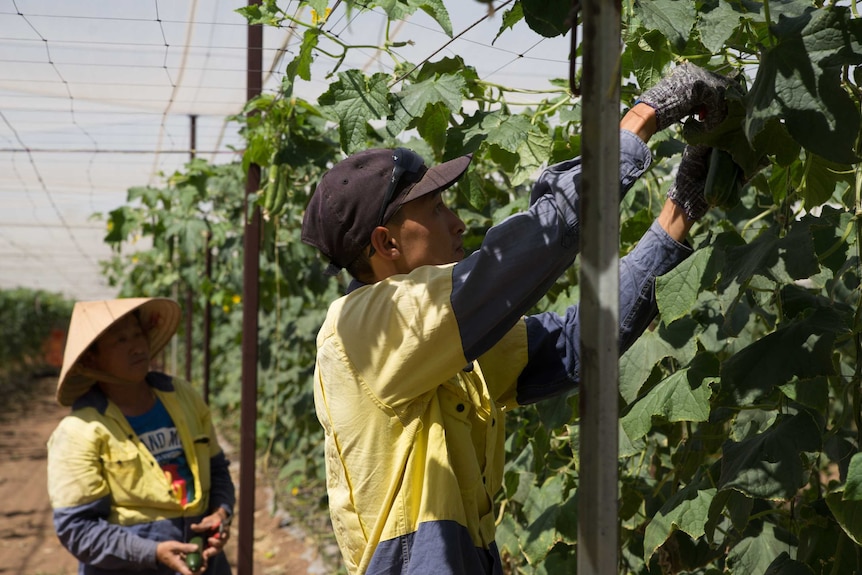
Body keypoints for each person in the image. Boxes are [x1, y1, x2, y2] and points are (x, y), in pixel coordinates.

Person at [300, 63, 733, 574]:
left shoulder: (435, 339)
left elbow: (577, 343)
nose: (458, 221)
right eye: (436, 209)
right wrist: (643, 118)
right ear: (386, 243)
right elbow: (536, 245)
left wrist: (680, 208)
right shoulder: (369, 327)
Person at [46, 298, 236, 575]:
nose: (137, 346)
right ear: (91, 358)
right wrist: (152, 552)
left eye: (138, 334)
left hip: (205, 563)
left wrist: (221, 513)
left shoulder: (182, 396)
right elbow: (77, 529)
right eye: (120, 340)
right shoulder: (78, 432)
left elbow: (217, 469)